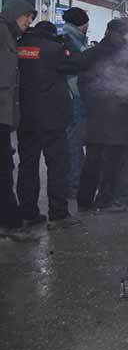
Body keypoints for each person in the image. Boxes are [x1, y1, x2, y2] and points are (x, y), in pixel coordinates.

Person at [16, 21, 82, 227]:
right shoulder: (54, 49)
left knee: (27, 165)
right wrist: (66, 45)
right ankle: (58, 212)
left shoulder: (19, 46)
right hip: (52, 118)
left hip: (25, 117)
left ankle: (28, 212)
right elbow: (76, 64)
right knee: (57, 165)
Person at [77, 18, 128, 213]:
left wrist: (90, 103)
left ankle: (85, 201)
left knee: (94, 160)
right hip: (114, 117)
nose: (127, 39)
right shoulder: (116, 57)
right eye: (124, 35)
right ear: (112, 34)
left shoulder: (93, 53)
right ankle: (103, 201)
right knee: (109, 162)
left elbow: (81, 83)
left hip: (101, 116)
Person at [0, 0, 36, 230]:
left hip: (4, 116)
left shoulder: (11, 36)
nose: (30, 21)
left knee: (5, 168)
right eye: (27, 16)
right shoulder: (2, 33)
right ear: (15, 14)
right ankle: (10, 223)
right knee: (3, 170)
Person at [61, 7, 90, 199]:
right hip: (75, 100)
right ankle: (74, 184)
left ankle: (75, 181)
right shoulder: (70, 42)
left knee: (74, 142)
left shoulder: (71, 39)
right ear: (82, 24)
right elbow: (71, 74)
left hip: (72, 99)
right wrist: (82, 95)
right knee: (74, 142)